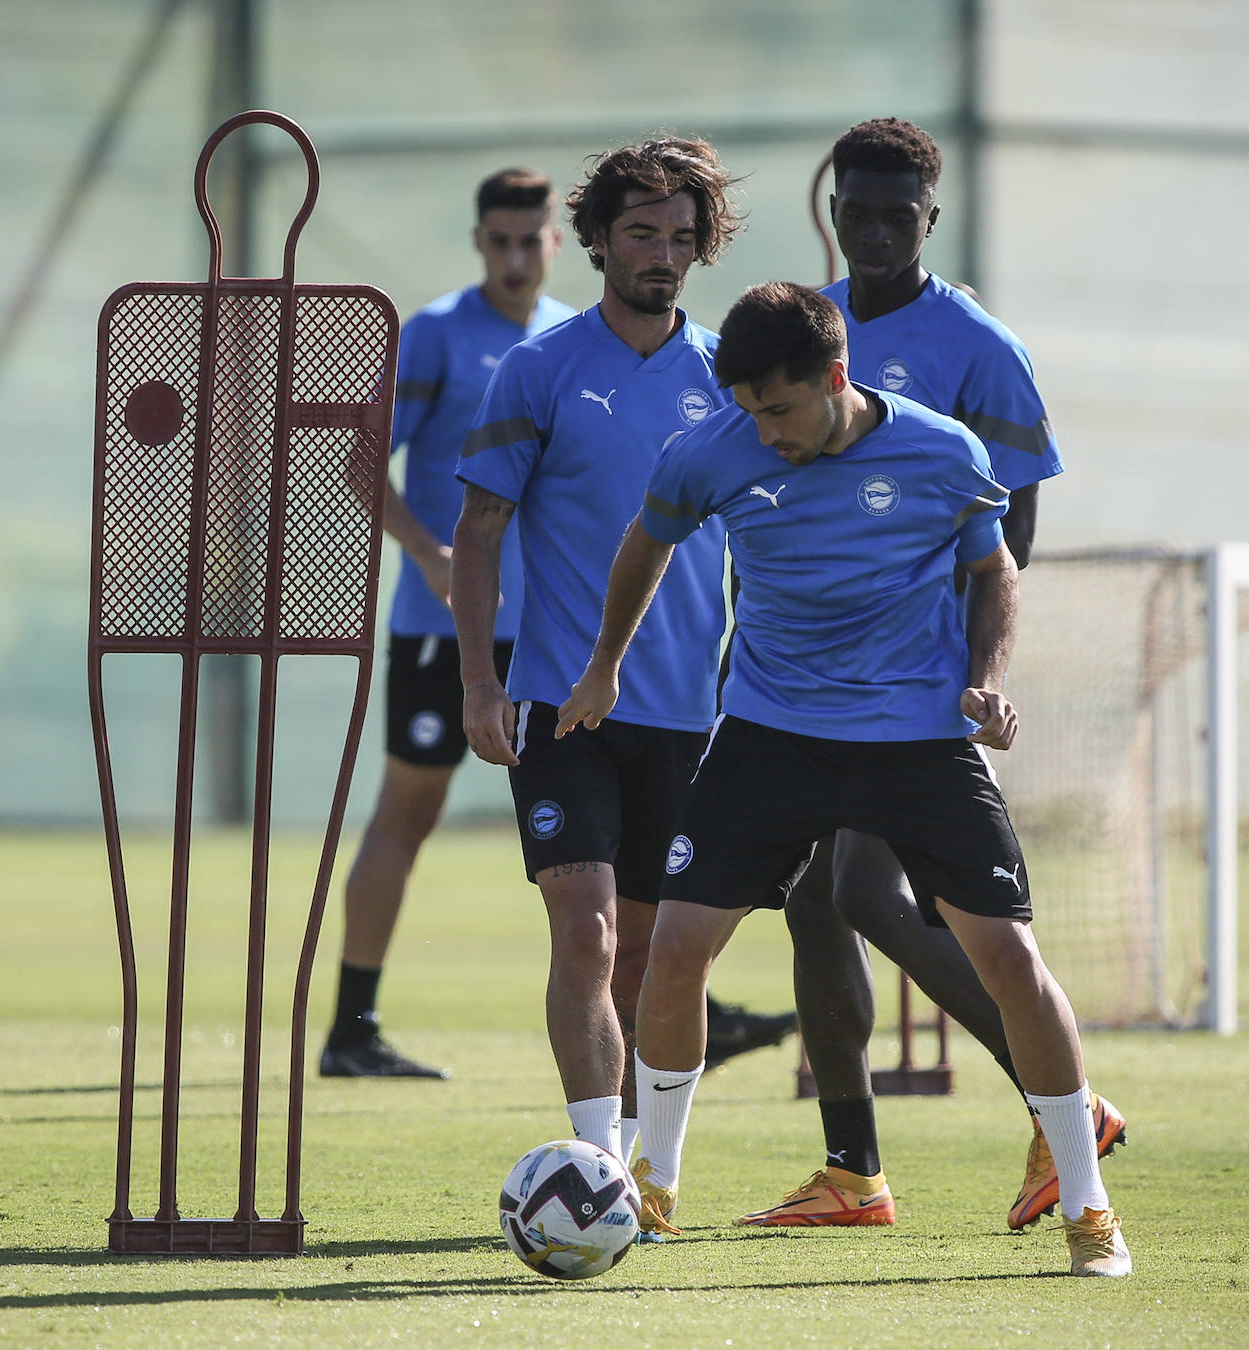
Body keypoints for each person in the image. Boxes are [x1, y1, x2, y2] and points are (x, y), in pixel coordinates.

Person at [561, 281, 1132, 1277]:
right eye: (748, 412)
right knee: (679, 948)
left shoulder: (943, 450)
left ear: (836, 377)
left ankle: (1091, 1212)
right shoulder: (711, 451)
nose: (764, 432)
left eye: (779, 408)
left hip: (916, 740)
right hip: (769, 734)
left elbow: (995, 571)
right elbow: (645, 540)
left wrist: (985, 682)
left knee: (1008, 959)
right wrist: (605, 663)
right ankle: (650, 1188)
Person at [736, 118, 1124, 1230]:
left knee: (859, 892)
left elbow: (1014, 529)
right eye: (853, 210)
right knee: (815, 902)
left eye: (893, 214)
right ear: (835, 211)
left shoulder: (979, 347)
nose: (870, 228)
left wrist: (962, 665)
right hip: (808, 679)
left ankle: (1073, 1109)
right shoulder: (806, 328)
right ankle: (854, 1172)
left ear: (929, 219)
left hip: (916, 685)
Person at [451, 137, 792, 1166]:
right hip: (562, 707)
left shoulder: (731, 377)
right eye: (640, 232)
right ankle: (595, 1165)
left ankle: (644, 1170)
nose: (661, 253)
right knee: (588, 933)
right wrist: (481, 682)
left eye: (680, 238)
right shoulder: (538, 368)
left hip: (689, 713)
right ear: (596, 240)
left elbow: (770, 535)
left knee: (648, 958)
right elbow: (479, 530)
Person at [319, 168, 574, 1079]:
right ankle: (352, 1028)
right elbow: (358, 460)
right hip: (440, 628)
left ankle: (666, 1009)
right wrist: (431, 555)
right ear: (479, 242)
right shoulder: (432, 335)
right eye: (499, 240)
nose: (514, 257)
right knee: (408, 812)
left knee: (590, 829)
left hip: (548, 632)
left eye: (529, 240)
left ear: (555, 241)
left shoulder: (570, 340)